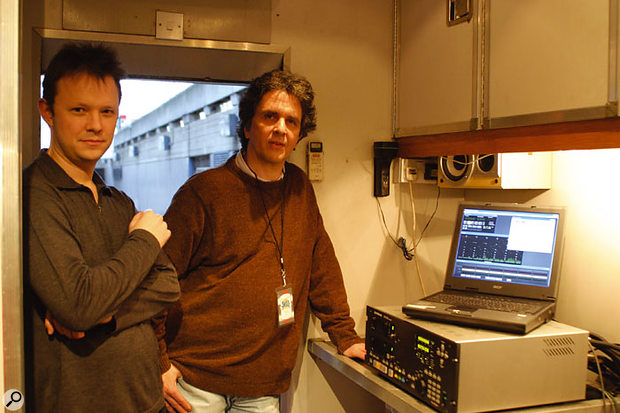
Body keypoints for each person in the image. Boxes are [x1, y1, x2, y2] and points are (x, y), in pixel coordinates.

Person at [156, 69, 366, 413]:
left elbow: (321, 266)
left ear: (298, 135)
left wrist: (344, 334)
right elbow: (157, 279)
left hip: (263, 386)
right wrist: (158, 361)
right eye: (270, 116)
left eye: (291, 121)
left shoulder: (299, 189)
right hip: (194, 382)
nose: (280, 128)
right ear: (248, 127)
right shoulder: (203, 191)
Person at [22, 43, 180, 413]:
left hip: (145, 400)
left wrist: (107, 317)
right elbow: (79, 304)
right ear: (47, 111)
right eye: (79, 110)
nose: (96, 124)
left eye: (107, 112)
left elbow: (167, 284)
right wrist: (144, 238)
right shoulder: (35, 194)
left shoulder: (117, 200)